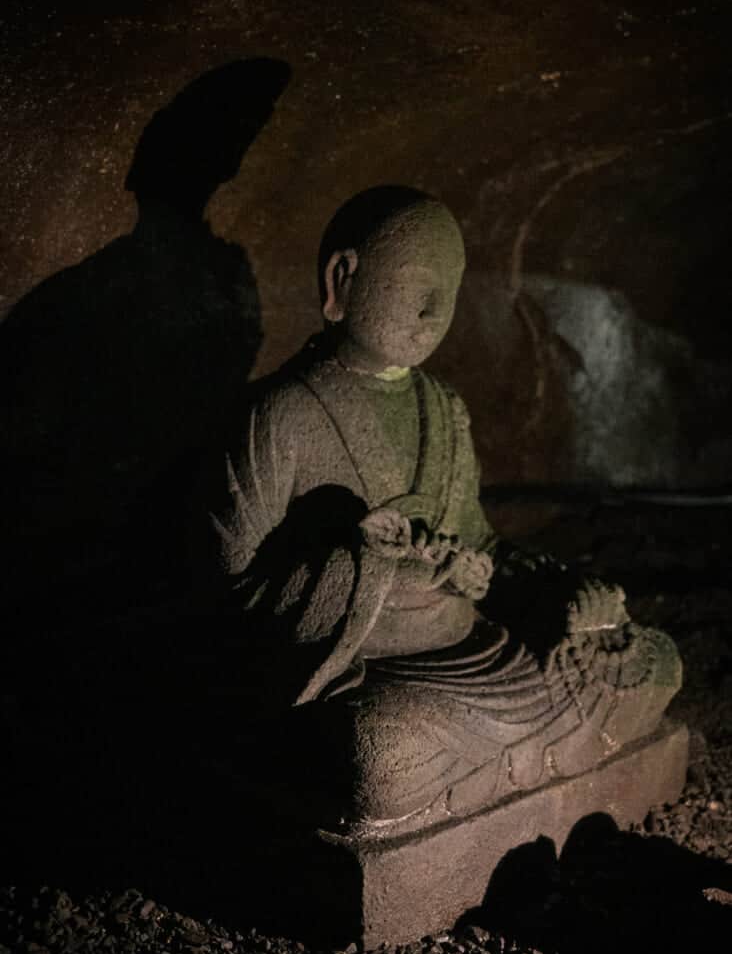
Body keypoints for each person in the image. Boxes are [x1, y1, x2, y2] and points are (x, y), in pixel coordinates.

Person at [205, 186, 681, 831]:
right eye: (415, 286)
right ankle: (513, 763)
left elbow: (481, 545)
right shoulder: (279, 416)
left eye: (448, 293)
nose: (433, 311)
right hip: (371, 679)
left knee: (651, 660)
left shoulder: (443, 409)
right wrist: (372, 574)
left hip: (478, 656)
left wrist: (559, 589)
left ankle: (496, 766)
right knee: (379, 753)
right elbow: (229, 596)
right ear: (343, 279)